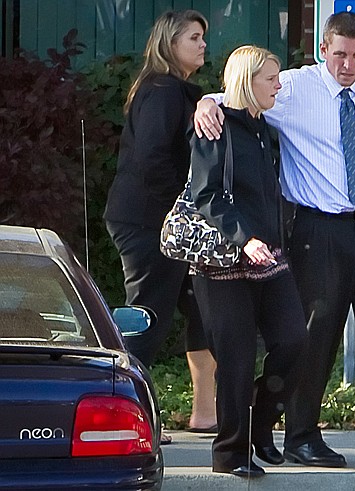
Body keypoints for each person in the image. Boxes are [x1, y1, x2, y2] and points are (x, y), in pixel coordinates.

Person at [194, 11, 355, 477]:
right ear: (324, 49)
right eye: (340, 54)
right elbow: (239, 95)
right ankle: (301, 435)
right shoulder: (294, 88)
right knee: (315, 335)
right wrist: (205, 101)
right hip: (319, 230)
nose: (348, 64)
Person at [189, 45, 308, 478]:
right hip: (223, 263)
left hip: (269, 259)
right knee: (236, 361)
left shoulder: (265, 128)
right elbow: (205, 194)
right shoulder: (215, 126)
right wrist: (244, 238)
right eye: (271, 79)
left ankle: (260, 424)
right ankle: (231, 454)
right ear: (247, 81)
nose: (279, 86)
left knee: (294, 341)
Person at [103, 9, 217, 437]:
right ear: (171, 44)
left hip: (167, 221)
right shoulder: (163, 90)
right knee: (147, 314)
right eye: (194, 37)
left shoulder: (177, 90)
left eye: (203, 36)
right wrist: (181, 211)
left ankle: (205, 412)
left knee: (202, 308)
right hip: (149, 220)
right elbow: (153, 158)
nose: (203, 44)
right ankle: (127, 414)